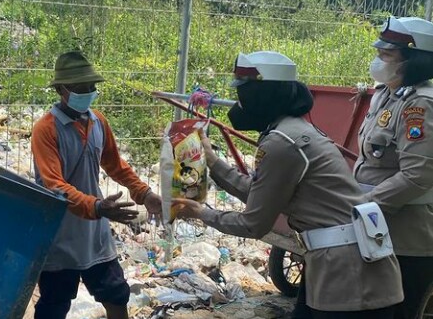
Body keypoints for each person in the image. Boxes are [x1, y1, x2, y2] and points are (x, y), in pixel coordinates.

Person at [172, 51, 403, 318]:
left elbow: (254, 223)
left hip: (351, 279)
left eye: (244, 95)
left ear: (263, 97)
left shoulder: (282, 142)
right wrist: (212, 161)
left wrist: (201, 213)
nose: (239, 104)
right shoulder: (291, 130)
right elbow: (263, 193)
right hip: (341, 266)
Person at [30, 51, 163, 319]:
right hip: (61, 234)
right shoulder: (46, 129)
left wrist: (144, 193)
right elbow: (53, 184)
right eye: (81, 87)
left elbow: (115, 164)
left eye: (91, 87)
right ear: (61, 89)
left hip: (95, 233)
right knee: (54, 304)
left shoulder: (97, 121)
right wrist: (97, 206)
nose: (89, 91)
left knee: (116, 293)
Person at [355, 16, 433, 319]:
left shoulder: (420, 105)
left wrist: (362, 207)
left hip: (405, 240)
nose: (379, 60)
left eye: (387, 55)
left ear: (412, 60)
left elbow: (418, 175)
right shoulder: (385, 95)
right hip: (377, 229)